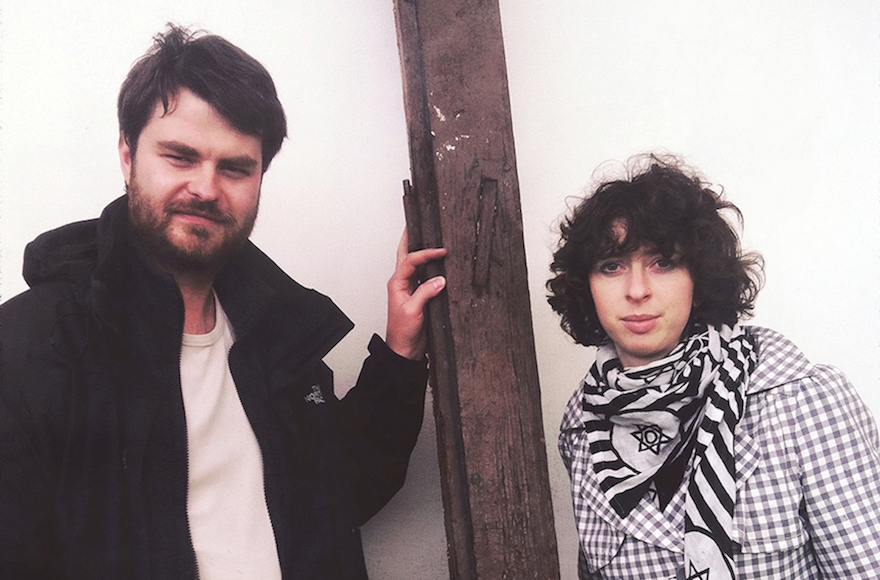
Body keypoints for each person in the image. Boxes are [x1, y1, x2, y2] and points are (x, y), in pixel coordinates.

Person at [0, 25, 446, 580]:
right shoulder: (29, 349)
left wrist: (401, 354)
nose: (206, 188)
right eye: (180, 157)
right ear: (126, 154)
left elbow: (337, 494)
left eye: (234, 167)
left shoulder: (276, 329)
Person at [547, 155, 880, 579]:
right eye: (611, 267)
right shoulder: (582, 425)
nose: (636, 290)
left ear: (699, 280)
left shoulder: (799, 401)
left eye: (663, 263)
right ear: (587, 286)